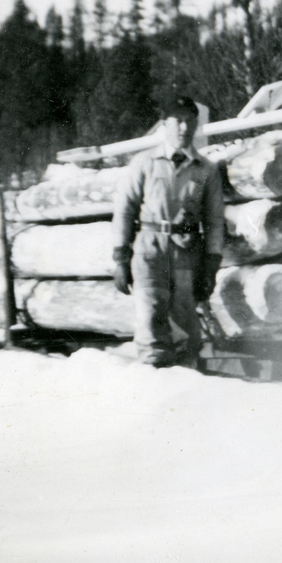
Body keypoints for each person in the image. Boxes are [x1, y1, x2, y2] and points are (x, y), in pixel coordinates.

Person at [111, 96, 225, 367]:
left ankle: (186, 384)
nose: (185, 128)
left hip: (186, 252)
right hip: (149, 250)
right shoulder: (144, 163)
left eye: (190, 121)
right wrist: (120, 257)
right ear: (165, 124)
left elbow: (215, 220)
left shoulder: (206, 170)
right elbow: (125, 210)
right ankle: (154, 383)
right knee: (151, 318)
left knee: (185, 320)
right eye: (179, 121)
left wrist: (211, 265)